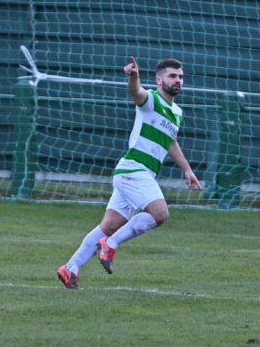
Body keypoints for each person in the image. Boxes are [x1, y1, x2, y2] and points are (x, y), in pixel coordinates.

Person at [57, 56, 202, 289]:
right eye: (172, 76)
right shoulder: (152, 100)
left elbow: (171, 141)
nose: (178, 80)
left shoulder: (177, 112)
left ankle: (70, 268)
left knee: (110, 223)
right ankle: (110, 244)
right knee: (160, 214)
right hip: (134, 169)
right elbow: (137, 94)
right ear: (159, 79)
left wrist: (187, 170)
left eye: (181, 76)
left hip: (137, 173)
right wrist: (134, 77)